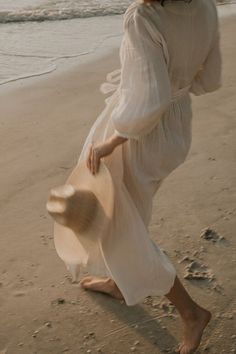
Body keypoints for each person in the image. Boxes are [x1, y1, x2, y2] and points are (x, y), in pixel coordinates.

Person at [68, 1, 222, 353]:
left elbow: (150, 100)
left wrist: (111, 140)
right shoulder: (206, 6)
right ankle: (120, 281)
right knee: (132, 209)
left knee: (120, 224)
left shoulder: (144, 15)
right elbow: (209, 78)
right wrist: (176, 83)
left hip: (137, 135)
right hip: (176, 127)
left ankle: (191, 313)